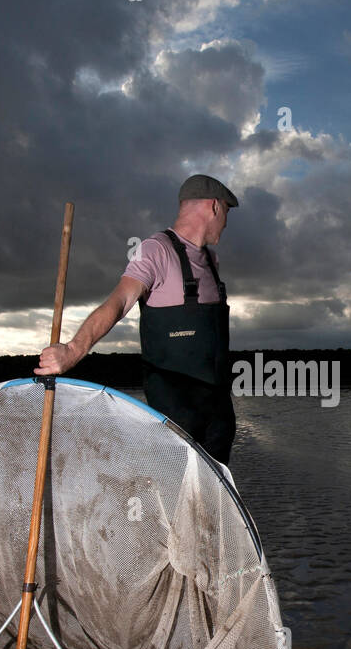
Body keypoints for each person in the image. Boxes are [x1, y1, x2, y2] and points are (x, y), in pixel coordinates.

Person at [35, 174, 239, 463]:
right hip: (176, 417)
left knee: (212, 502)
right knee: (173, 498)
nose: (227, 223)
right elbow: (120, 301)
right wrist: (73, 350)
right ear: (215, 207)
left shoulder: (211, 262)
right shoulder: (156, 251)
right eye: (227, 213)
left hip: (217, 414)